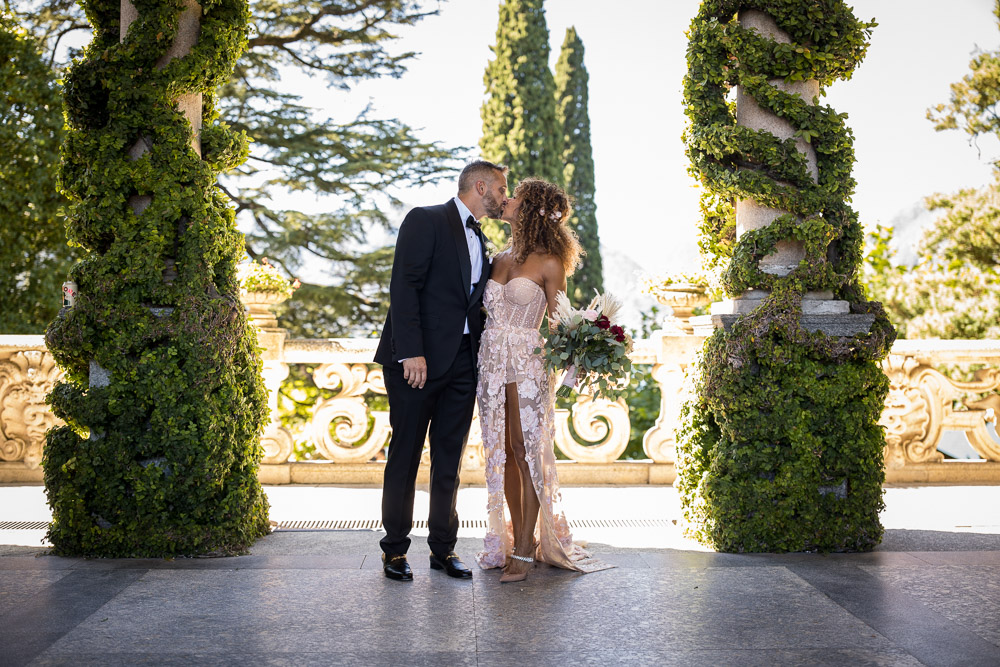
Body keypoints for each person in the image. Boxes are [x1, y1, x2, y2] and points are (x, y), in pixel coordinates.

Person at [374, 160, 508, 581]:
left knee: (449, 460)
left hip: (463, 363)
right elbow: (404, 286)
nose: (505, 196)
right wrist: (411, 352)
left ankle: (443, 550)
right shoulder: (425, 219)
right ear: (481, 185)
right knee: (405, 457)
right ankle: (394, 551)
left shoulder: (481, 238)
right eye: (502, 188)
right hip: (417, 364)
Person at [475, 177, 613, 582]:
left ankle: (523, 551)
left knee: (525, 450)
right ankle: (518, 536)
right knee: (503, 452)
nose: (507, 200)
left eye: (514, 195)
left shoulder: (550, 262)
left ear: (531, 207)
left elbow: (559, 324)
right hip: (491, 361)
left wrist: (583, 349)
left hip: (528, 362)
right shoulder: (498, 257)